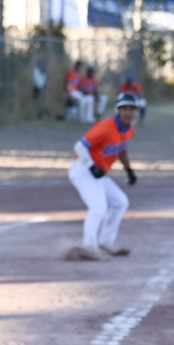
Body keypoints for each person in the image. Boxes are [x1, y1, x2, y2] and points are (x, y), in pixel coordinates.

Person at [66, 93, 140, 261]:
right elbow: (79, 146)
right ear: (118, 111)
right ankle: (89, 246)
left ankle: (105, 243)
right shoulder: (106, 127)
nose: (128, 113)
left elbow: (121, 149)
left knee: (120, 202)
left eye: (132, 109)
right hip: (83, 169)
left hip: (97, 173)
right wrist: (91, 165)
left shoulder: (129, 130)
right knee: (99, 207)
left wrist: (128, 170)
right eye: (125, 109)